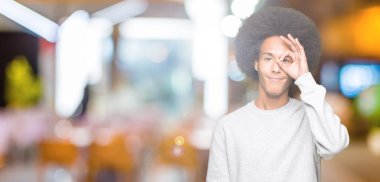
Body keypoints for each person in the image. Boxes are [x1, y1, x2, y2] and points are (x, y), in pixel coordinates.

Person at [206, 7, 349, 182]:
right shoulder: (228, 127)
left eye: (285, 60)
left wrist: (305, 79)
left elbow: (335, 145)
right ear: (256, 63)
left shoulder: (312, 119)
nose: (276, 68)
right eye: (268, 58)